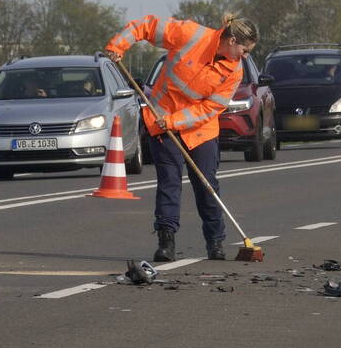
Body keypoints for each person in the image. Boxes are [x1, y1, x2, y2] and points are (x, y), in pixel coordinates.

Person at [106, 13, 259, 261]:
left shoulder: (234, 72)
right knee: (169, 182)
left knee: (206, 185)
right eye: (244, 49)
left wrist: (175, 121)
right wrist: (118, 45)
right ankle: (166, 242)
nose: (245, 55)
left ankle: (215, 242)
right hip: (161, 121)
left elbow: (210, 108)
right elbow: (145, 26)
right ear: (231, 41)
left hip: (200, 129)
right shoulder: (191, 34)